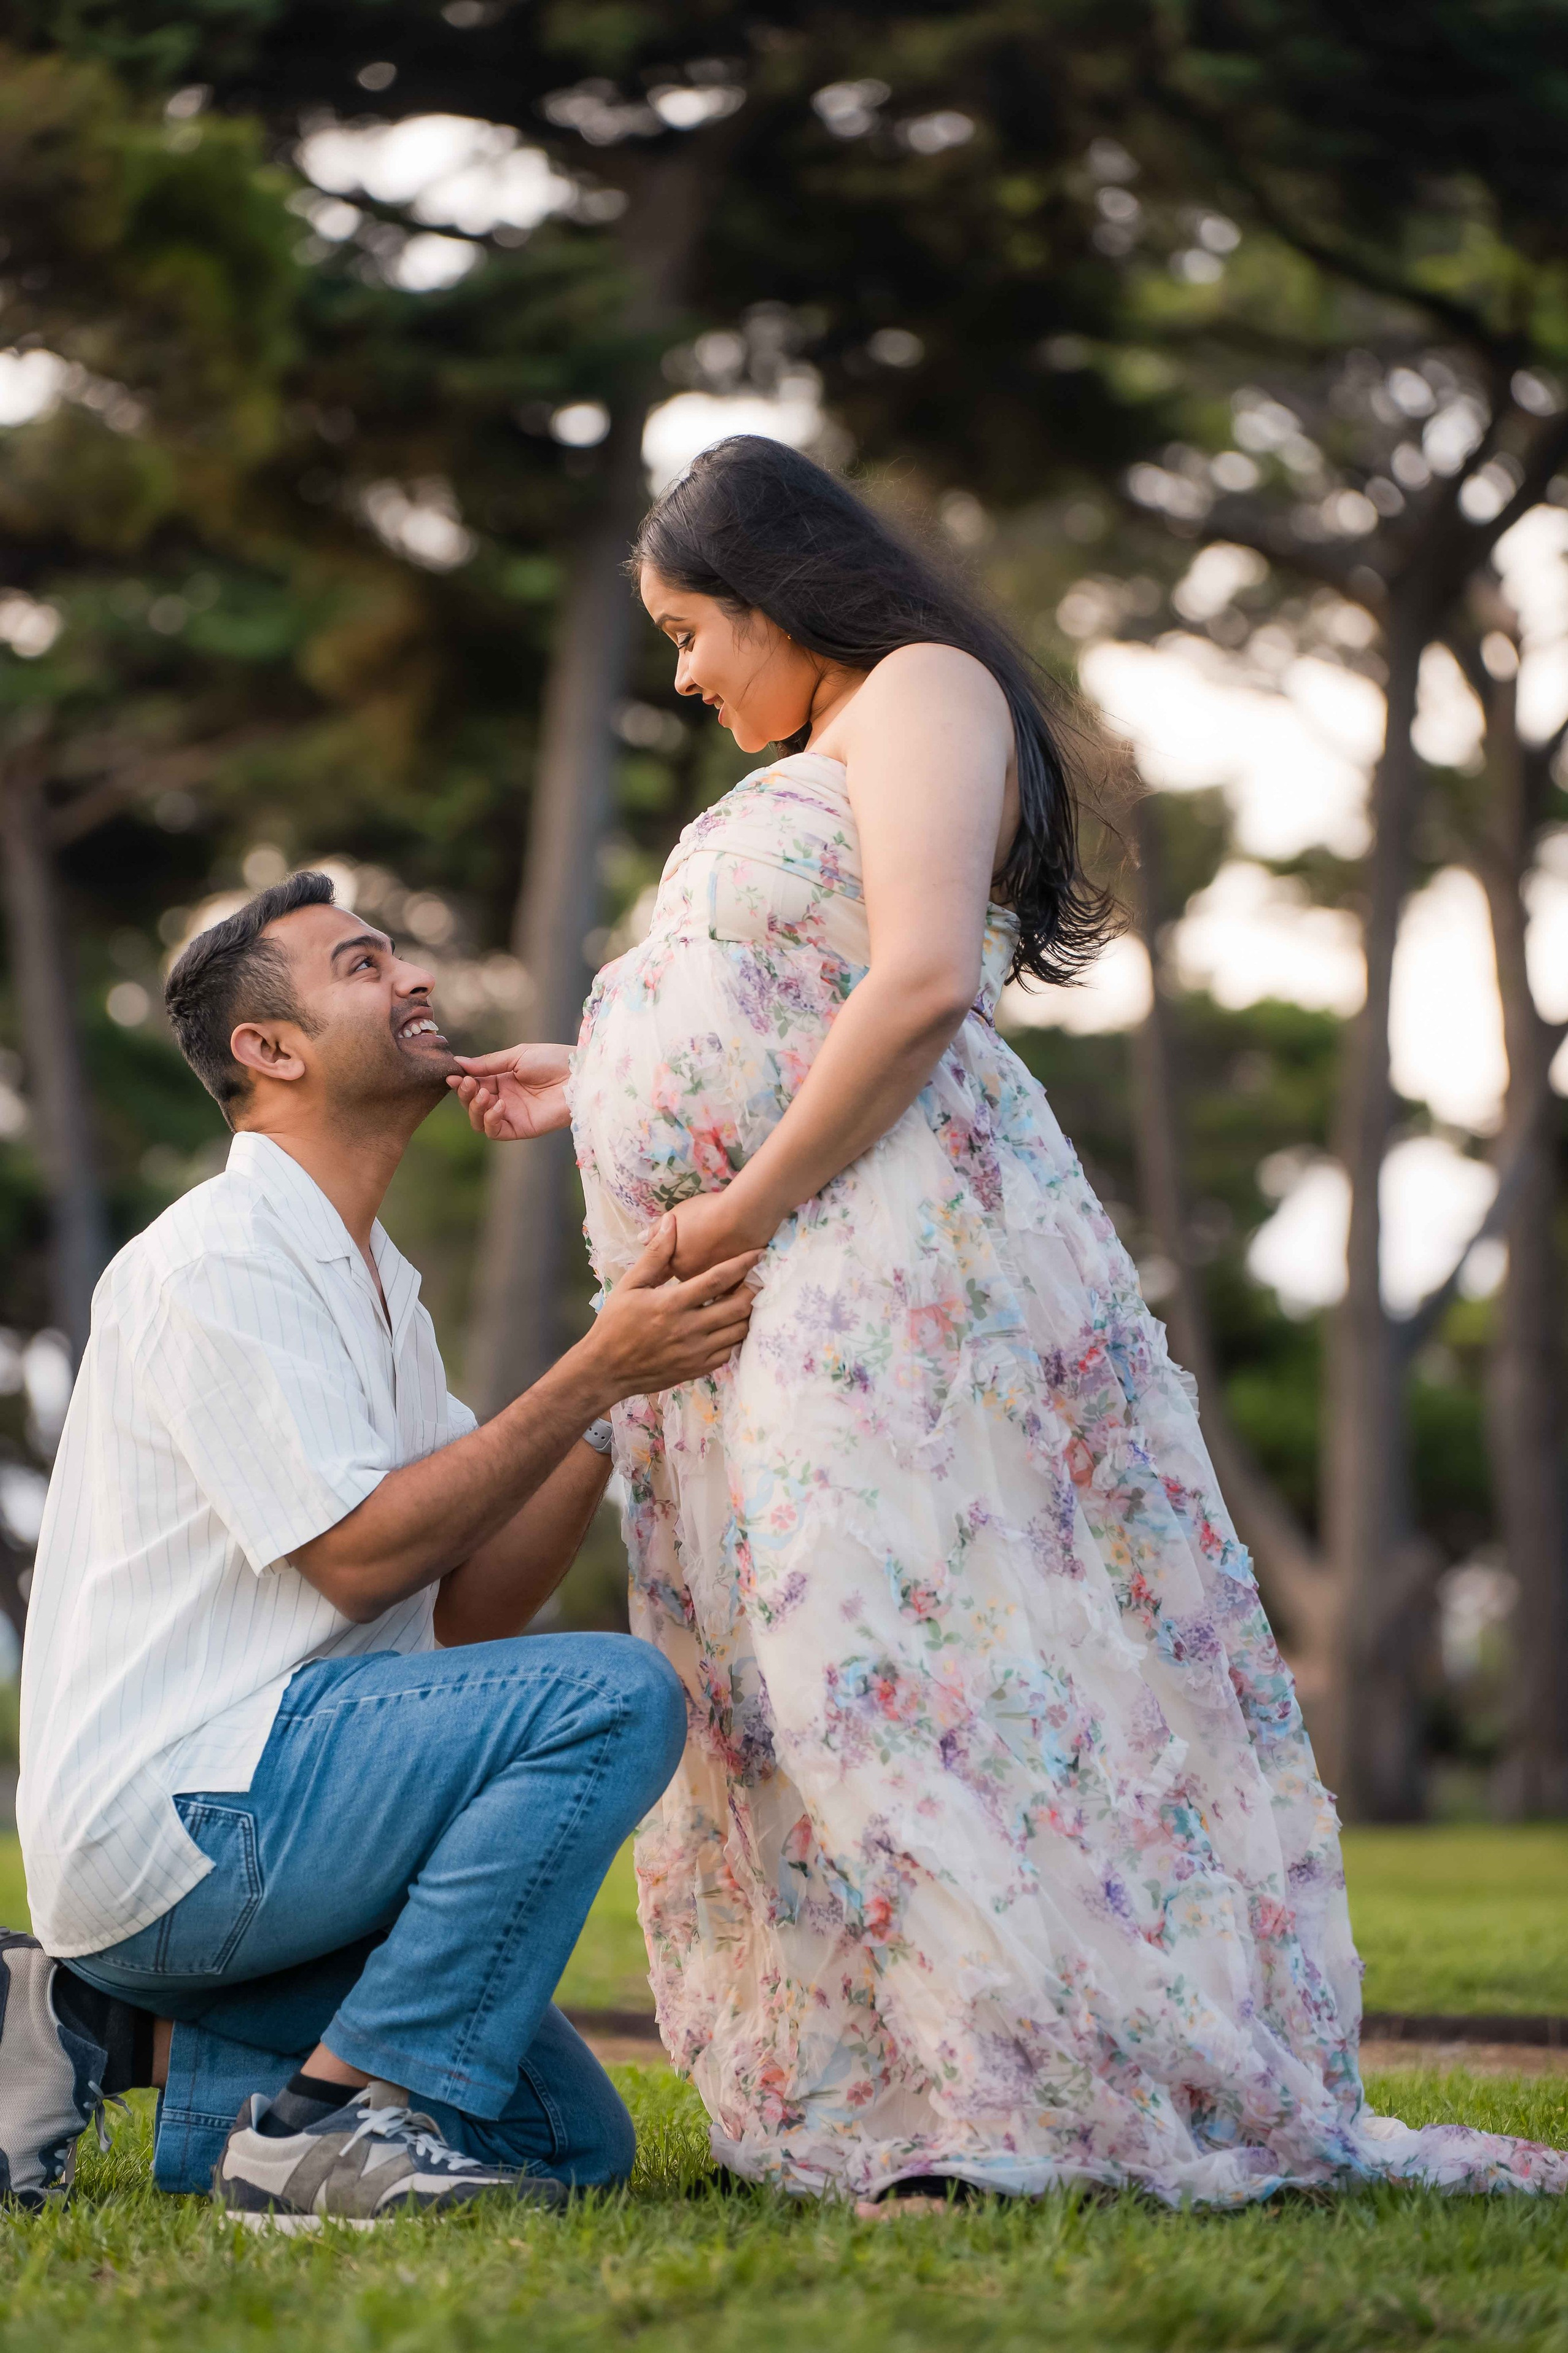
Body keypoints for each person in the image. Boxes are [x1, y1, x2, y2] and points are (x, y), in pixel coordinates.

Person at [463, 436, 1567, 2211]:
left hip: (881, 1259)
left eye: (689, 628)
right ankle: (900, 2083)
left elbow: (910, 986)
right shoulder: (830, 738)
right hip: (771, 1294)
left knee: (897, 1641)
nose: (681, 673)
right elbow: (784, 1000)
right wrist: (597, 1072)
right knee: (794, 1672)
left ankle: (1014, 2096)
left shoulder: (923, 687)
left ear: (777, 596)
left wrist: (737, 1206)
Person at [2, 871, 759, 2219]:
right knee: (616, 1690)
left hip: (285, 1813)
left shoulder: (379, 1288)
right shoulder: (218, 1259)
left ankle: (84, 2030)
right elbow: (359, 1559)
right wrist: (592, 1369)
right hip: (184, 1814)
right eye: (362, 964)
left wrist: (620, 1385)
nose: (411, 978)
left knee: (563, 2141)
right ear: (269, 1049)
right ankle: (323, 2126)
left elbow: (461, 1612)